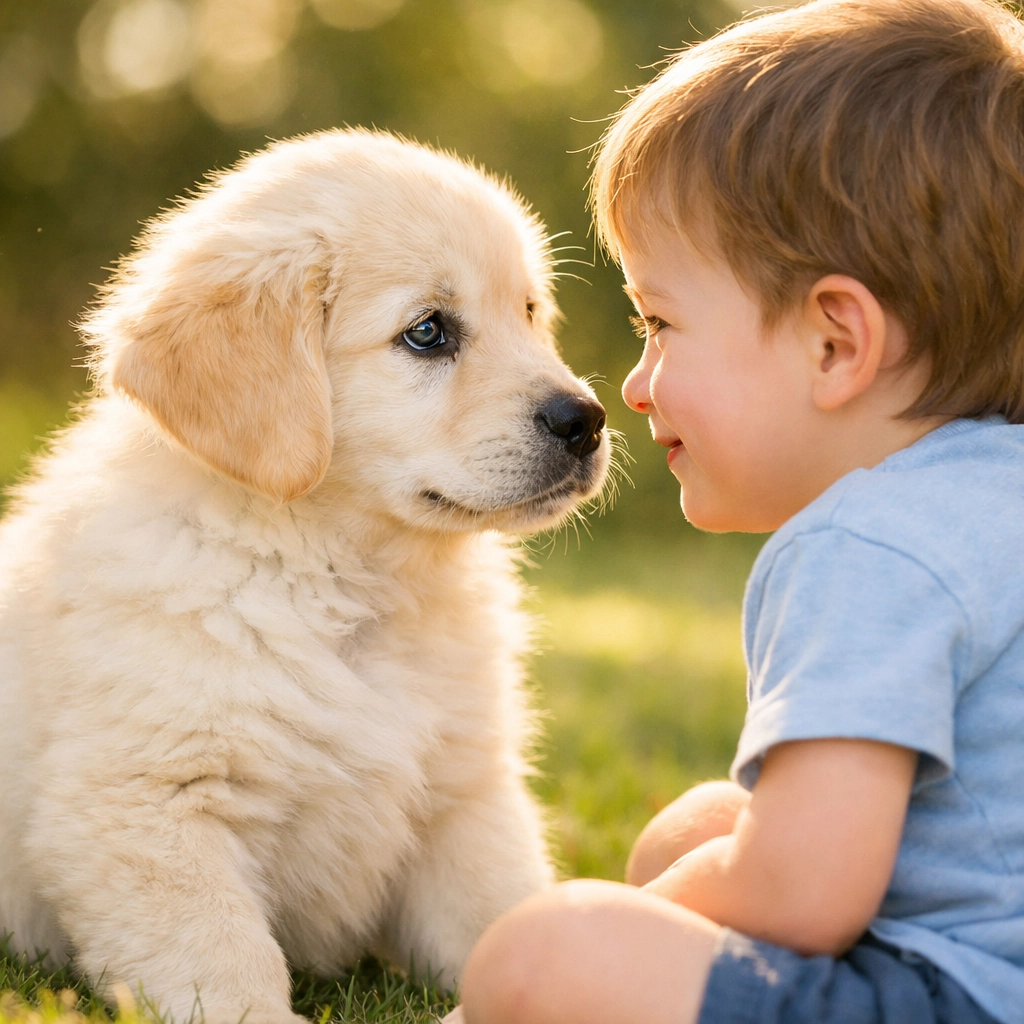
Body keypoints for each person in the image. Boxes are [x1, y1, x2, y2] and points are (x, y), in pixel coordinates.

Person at [442, 1, 1024, 1022]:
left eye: (660, 322)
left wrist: (626, 919)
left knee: (546, 952)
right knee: (700, 822)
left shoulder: (866, 546)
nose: (633, 383)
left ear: (834, 343)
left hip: (964, 994)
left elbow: (804, 890)